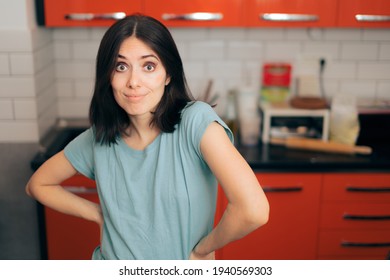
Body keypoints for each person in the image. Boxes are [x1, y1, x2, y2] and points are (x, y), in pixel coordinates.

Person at [26, 14, 269, 260]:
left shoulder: (196, 122)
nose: (133, 81)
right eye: (121, 66)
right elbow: (38, 184)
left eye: (149, 66)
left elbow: (253, 210)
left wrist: (201, 250)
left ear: (168, 74)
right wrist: (98, 214)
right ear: (108, 75)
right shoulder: (99, 137)